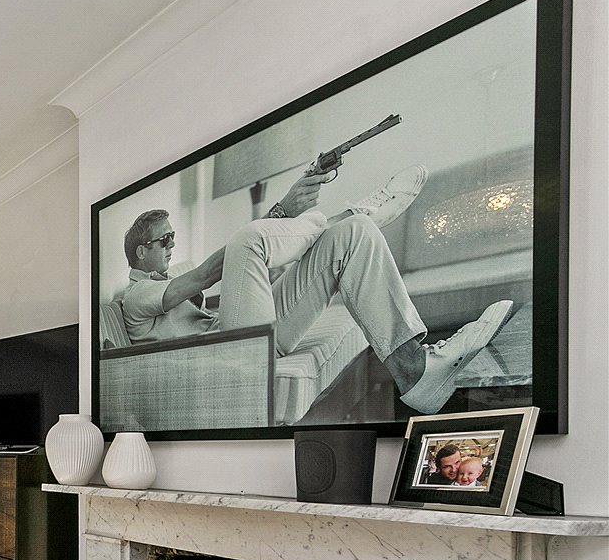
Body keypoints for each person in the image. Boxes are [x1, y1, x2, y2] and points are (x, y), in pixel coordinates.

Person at [118, 166, 513, 415]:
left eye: (173, 237)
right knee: (246, 240)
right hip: (231, 355)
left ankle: (416, 370)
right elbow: (206, 274)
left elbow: (227, 292)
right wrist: (283, 212)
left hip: (240, 336)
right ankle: (349, 213)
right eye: (164, 239)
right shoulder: (135, 296)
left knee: (353, 236)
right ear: (140, 252)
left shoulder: (166, 288)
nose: (172, 244)